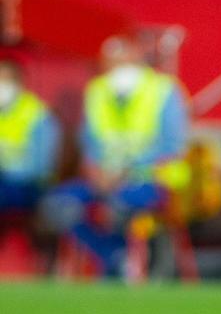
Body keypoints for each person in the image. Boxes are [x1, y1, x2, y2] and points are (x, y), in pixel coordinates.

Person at [43, 35, 188, 277]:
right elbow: (89, 145)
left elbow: (173, 149)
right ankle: (114, 256)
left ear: (138, 58)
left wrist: (127, 172)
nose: (118, 68)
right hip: (104, 180)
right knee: (58, 205)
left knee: (117, 207)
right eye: (112, 62)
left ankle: (133, 262)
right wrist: (95, 172)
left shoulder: (164, 91)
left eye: (124, 60)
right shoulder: (98, 92)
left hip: (151, 181)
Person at [0, 57, 59, 215]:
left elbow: (41, 169)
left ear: (20, 83)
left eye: (6, 80)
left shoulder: (38, 115)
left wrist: (7, 171)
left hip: (27, 187)